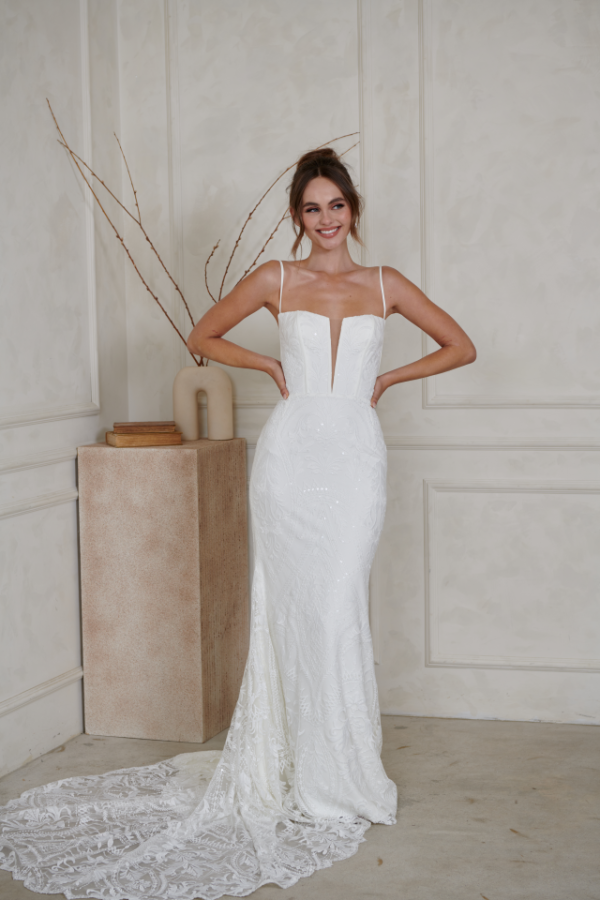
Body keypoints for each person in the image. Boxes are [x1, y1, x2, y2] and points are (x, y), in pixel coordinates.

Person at [0, 148, 475, 900]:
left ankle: (343, 774)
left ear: (353, 209)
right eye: (312, 209)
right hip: (290, 463)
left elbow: (462, 346)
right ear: (298, 217)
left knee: (336, 607)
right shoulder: (274, 280)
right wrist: (266, 369)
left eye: (336, 206)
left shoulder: (385, 285)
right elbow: (204, 333)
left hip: (353, 458)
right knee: (294, 612)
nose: (325, 220)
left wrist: (387, 378)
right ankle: (300, 767)